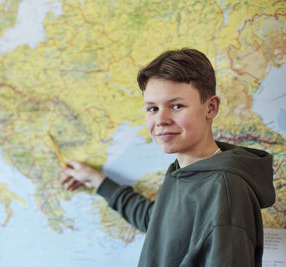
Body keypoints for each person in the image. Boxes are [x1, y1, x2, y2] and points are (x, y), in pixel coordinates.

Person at [61, 48, 276, 267]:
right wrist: (97, 181)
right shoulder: (183, 172)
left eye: (176, 106)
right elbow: (159, 223)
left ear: (210, 108)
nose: (161, 119)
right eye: (152, 108)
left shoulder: (225, 190)